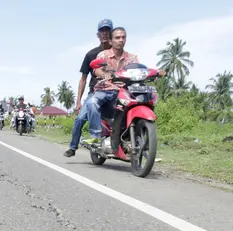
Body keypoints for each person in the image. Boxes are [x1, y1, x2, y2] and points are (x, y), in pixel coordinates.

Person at [82, 27, 166, 149]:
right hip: (106, 88)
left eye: (123, 37)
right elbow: (97, 70)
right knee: (92, 103)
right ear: (110, 41)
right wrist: (104, 74)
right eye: (117, 37)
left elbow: (140, 70)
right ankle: (96, 135)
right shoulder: (103, 55)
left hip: (126, 90)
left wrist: (158, 72)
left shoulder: (132, 58)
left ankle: (136, 133)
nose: (121, 40)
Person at [65, 19, 113, 157]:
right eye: (102, 31)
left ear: (111, 33)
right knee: (80, 119)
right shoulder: (91, 54)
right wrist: (78, 101)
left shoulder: (116, 52)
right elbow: (83, 79)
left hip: (115, 91)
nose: (104, 33)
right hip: (96, 92)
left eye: (107, 30)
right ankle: (73, 147)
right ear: (98, 34)